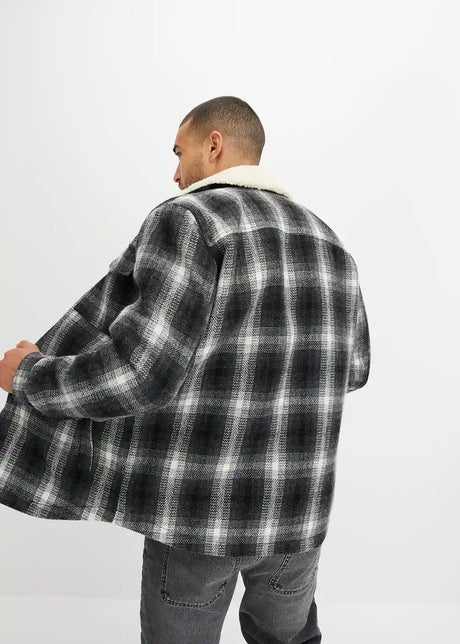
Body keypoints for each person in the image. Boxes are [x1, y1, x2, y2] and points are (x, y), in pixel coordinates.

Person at [0, 96, 370, 643]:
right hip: (298, 514)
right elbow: (353, 368)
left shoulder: (190, 220)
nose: (175, 174)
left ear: (214, 144)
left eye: (180, 152)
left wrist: (30, 374)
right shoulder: (327, 239)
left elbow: (140, 372)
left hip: (202, 513)